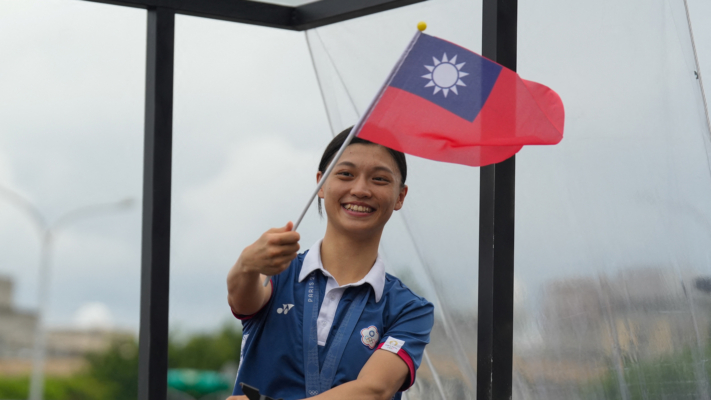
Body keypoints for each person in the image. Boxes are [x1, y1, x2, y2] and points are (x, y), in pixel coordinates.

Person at [226, 127, 434, 400]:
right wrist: (247, 264)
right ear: (321, 184)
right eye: (346, 174)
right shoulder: (279, 274)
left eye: (379, 179)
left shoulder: (409, 309)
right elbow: (242, 298)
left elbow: (374, 390)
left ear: (400, 196)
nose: (360, 189)